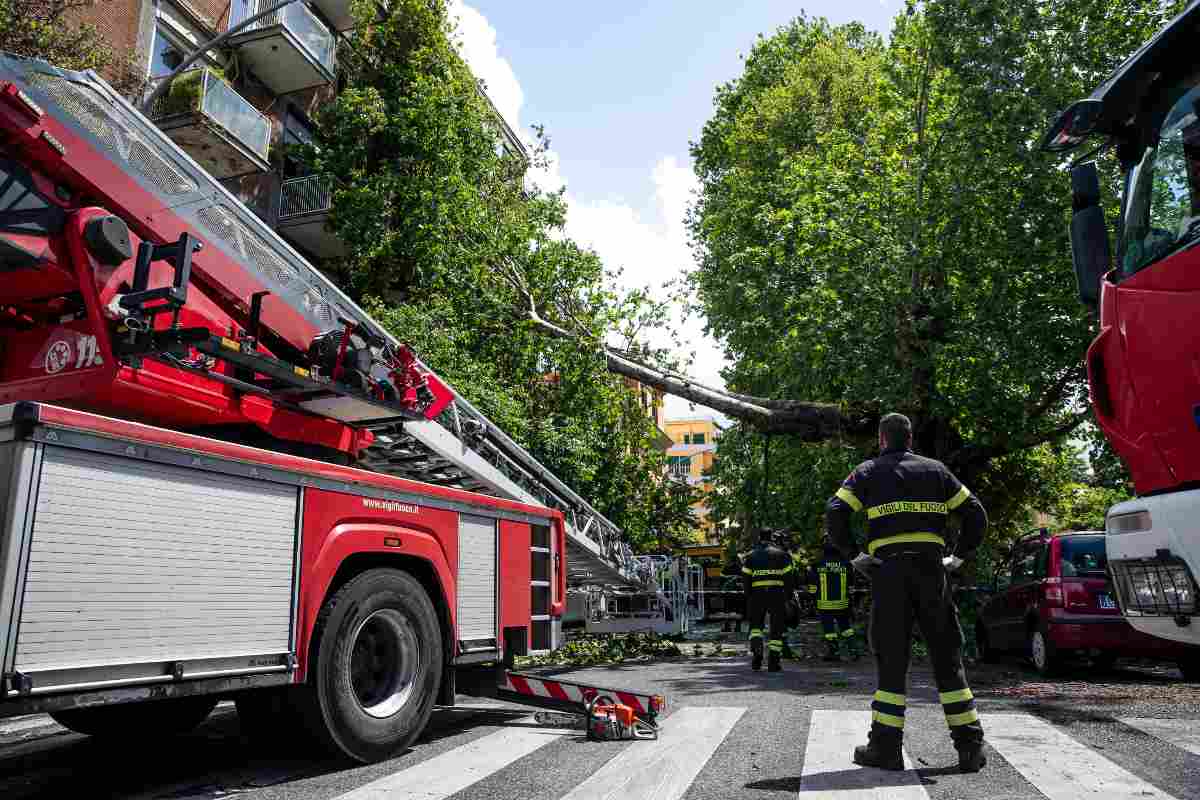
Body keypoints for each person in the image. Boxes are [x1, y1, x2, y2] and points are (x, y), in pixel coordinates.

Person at [825, 412, 988, 774]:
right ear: (910, 439)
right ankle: (970, 748)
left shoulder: (867, 472)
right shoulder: (936, 471)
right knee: (948, 660)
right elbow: (976, 515)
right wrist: (957, 558)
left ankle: (885, 747)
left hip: (889, 573)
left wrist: (855, 556)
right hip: (933, 571)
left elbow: (835, 512)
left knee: (892, 660)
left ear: (882, 440)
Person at [741, 526, 795, 672]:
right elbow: (789, 579)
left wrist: (748, 596)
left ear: (759, 538)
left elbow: (746, 579)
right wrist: (788, 597)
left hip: (756, 596)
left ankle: (757, 651)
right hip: (777, 595)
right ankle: (773, 662)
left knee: (756, 627)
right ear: (771, 538)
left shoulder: (750, 556)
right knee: (776, 629)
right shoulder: (782, 555)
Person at [812, 536, 858, 662]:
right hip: (842, 604)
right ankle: (854, 651)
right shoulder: (846, 564)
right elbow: (851, 585)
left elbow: (812, 586)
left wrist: (813, 600)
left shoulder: (817, 564)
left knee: (829, 630)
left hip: (824, 605)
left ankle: (834, 652)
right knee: (846, 628)